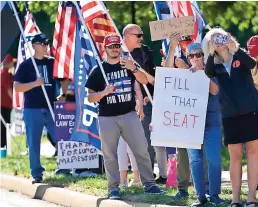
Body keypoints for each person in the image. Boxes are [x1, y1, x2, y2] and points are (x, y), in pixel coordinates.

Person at [85, 34, 162, 199]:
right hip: (107, 117)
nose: (114, 49)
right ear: (104, 49)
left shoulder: (127, 63)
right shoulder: (98, 69)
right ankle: (113, 188)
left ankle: (149, 184)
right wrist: (104, 92)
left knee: (141, 150)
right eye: (111, 46)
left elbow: (143, 80)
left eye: (117, 46)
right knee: (110, 155)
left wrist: (133, 68)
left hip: (129, 114)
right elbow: (90, 97)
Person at [203, 28, 258, 207]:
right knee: (235, 157)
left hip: (251, 111)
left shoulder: (239, 56)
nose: (218, 41)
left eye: (220, 37)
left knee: (253, 154)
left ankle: (251, 197)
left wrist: (234, 48)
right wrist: (211, 52)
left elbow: (251, 64)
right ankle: (235, 199)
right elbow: (208, 73)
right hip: (229, 115)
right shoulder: (214, 64)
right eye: (213, 39)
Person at [14, 33, 65, 183]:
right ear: (34, 45)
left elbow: (64, 79)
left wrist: (63, 94)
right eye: (42, 43)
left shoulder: (52, 62)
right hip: (32, 109)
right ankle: (36, 173)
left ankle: (65, 167)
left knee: (61, 138)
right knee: (33, 142)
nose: (45, 46)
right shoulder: (26, 65)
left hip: (51, 107)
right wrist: (35, 83)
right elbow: (17, 87)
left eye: (46, 43)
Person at [123, 24, 167, 184]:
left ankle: (162, 175)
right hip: (128, 103)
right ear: (127, 35)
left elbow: (153, 74)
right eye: (138, 35)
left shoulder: (145, 51)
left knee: (155, 139)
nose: (142, 38)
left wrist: (153, 94)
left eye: (142, 35)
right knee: (138, 142)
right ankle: (141, 175)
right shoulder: (119, 53)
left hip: (150, 101)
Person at [184, 43, 224, 206]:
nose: (195, 58)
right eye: (191, 56)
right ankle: (200, 196)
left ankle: (214, 195)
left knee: (213, 158)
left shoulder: (214, 69)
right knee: (195, 159)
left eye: (198, 54)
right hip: (192, 122)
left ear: (204, 55)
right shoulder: (184, 75)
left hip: (211, 121)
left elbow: (215, 91)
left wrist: (201, 74)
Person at [1, 54, 15, 148]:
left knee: (6, 125)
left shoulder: (8, 73)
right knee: (4, 126)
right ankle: (3, 145)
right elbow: (8, 89)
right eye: (12, 62)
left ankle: (4, 145)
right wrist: (15, 101)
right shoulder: (3, 73)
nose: (13, 64)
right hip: (4, 104)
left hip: (7, 104)